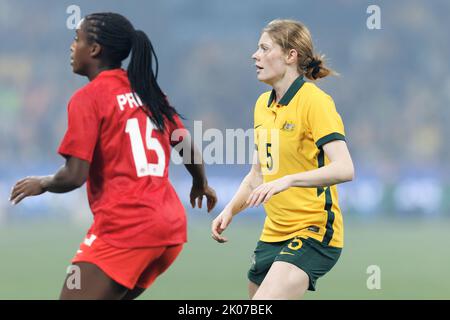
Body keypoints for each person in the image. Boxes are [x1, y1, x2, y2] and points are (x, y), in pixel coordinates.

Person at [9, 12, 217, 300]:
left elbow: (75, 175)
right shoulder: (148, 91)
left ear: (94, 50)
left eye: (77, 39)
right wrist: (200, 183)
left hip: (127, 227)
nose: (72, 47)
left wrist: (43, 183)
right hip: (169, 229)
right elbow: (184, 143)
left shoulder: (89, 98)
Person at [211, 19, 354, 300]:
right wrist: (230, 210)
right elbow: (258, 175)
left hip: (314, 231)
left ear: (291, 56)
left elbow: (345, 168)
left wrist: (289, 181)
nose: (255, 55)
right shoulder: (262, 105)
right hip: (273, 234)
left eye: (264, 48)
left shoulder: (314, 101)